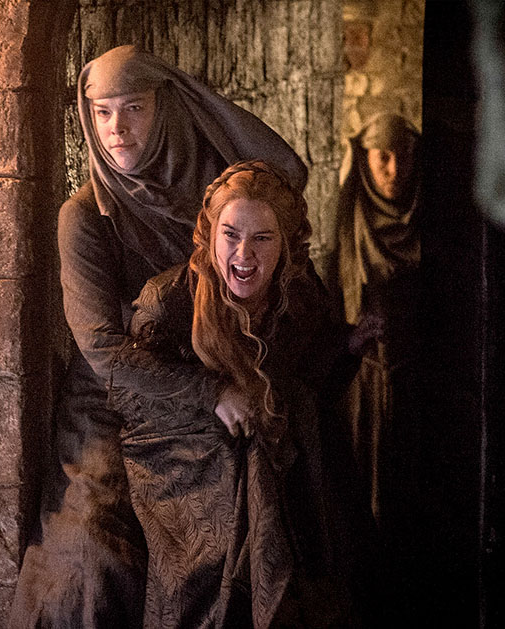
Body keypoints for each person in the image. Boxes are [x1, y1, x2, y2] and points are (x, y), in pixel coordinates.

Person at [8, 46, 307, 629]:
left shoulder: (214, 196)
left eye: (134, 108)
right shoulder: (85, 218)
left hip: (215, 374)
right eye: (101, 112)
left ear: (165, 107)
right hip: (113, 401)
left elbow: (279, 229)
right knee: (93, 548)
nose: (116, 129)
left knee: (247, 518)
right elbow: (101, 349)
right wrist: (209, 391)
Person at [109, 161, 364, 628]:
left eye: (263, 238)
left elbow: (310, 377)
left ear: (286, 243)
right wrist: (213, 395)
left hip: (279, 471)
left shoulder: (298, 296)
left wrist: (348, 345)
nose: (244, 254)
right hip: (190, 480)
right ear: (210, 234)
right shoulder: (169, 301)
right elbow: (130, 390)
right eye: (230, 235)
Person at [320, 113, 423, 606]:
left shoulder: (432, 221)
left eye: (404, 156)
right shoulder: (348, 223)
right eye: (383, 157)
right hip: (360, 383)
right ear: (364, 159)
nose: (394, 169)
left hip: (418, 380)